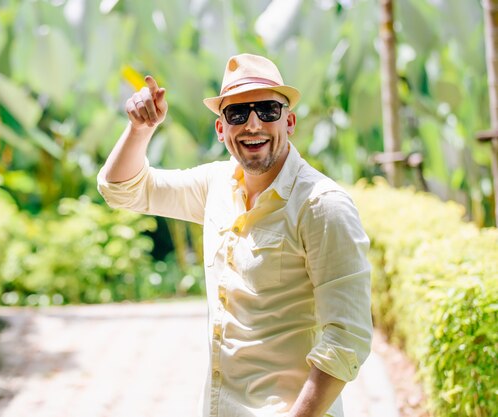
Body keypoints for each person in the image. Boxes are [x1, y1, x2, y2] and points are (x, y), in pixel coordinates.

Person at [97, 53, 372, 417]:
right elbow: (123, 189)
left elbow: (347, 340)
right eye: (238, 114)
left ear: (288, 121)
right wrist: (140, 130)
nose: (253, 124)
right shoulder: (216, 186)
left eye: (267, 111)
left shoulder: (322, 205)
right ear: (221, 129)